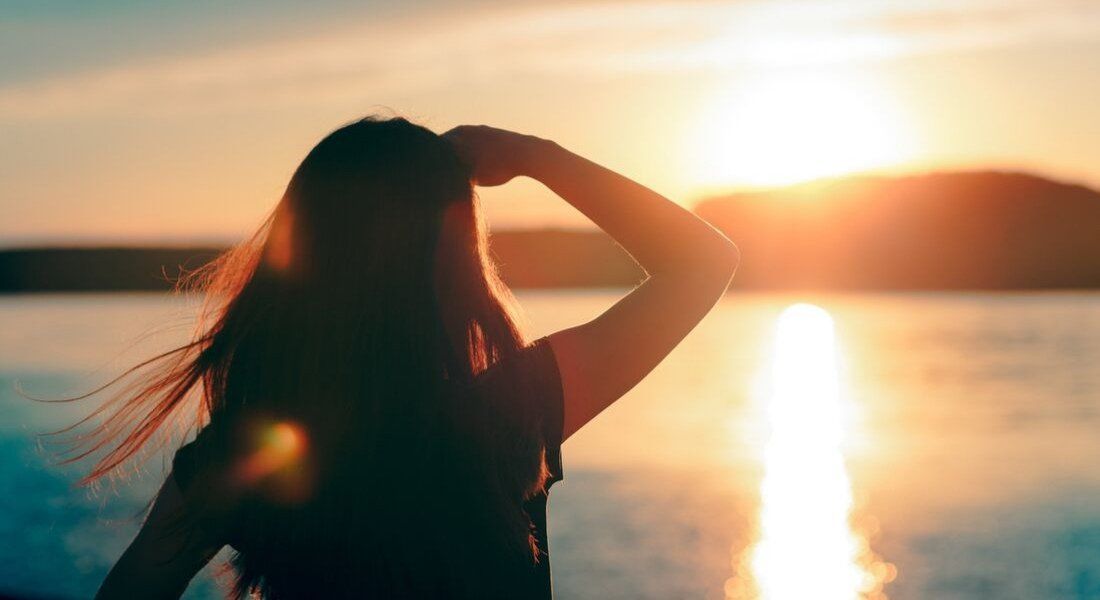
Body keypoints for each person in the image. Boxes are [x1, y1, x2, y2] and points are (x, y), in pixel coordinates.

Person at [83, 116, 738, 599]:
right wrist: (535, 156)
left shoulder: (241, 458)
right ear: (455, 270)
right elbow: (703, 262)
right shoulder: (509, 414)